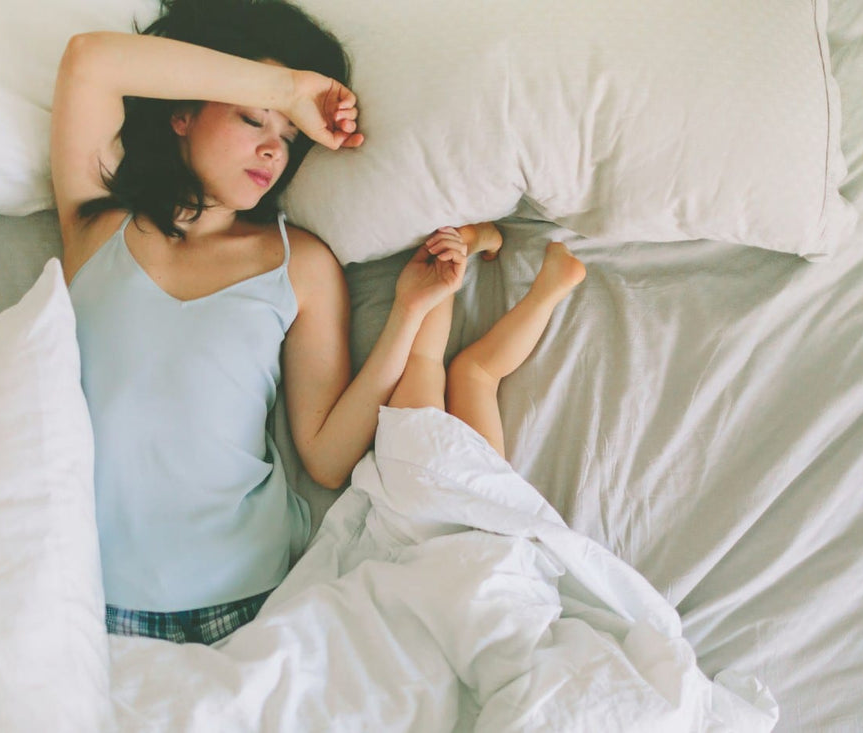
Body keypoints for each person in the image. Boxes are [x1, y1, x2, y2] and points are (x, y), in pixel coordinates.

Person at [49, 0, 475, 645]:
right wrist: (292, 91)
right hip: (77, 599)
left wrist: (408, 312)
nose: (275, 147)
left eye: (292, 137)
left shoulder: (298, 262)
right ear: (181, 113)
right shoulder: (96, 225)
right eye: (253, 120)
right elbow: (90, 60)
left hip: (248, 601)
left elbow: (328, 458)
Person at [388, 226, 587, 459]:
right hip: (418, 478)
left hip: (488, 492)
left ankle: (549, 289)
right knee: (432, 363)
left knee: (475, 374)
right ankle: (454, 251)